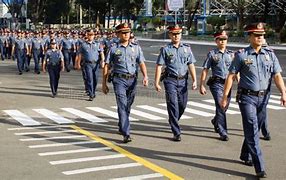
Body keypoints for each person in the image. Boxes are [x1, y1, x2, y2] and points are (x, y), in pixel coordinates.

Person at [220, 22, 286, 178]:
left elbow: (277, 75)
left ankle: (245, 154)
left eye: (262, 35)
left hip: (264, 98)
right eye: (256, 35)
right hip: (247, 97)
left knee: (255, 129)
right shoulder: (242, 55)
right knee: (251, 127)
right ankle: (259, 166)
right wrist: (224, 97)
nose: (260, 38)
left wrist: (283, 92)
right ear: (249, 37)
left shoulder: (270, 54)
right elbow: (230, 76)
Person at [102, 23, 148, 143]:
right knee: (122, 104)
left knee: (128, 104)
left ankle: (121, 123)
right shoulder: (113, 48)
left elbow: (141, 62)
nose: (126, 34)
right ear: (117, 34)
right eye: (123, 32)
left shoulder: (136, 47)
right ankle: (126, 133)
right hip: (119, 80)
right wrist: (104, 83)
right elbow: (106, 65)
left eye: (127, 32)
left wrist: (145, 76)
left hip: (132, 79)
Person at [154, 25, 197, 141]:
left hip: (183, 80)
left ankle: (173, 119)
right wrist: (156, 82)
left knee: (182, 105)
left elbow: (191, 64)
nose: (176, 36)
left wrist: (194, 80)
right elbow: (159, 66)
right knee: (173, 105)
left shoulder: (187, 49)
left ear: (181, 35)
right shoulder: (165, 49)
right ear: (170, 35)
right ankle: (176, 132)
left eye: (178, 34)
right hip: (170, 80)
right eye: (173, 34)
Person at [200, 30, 234, 141]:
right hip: (216, 84)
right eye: (220, 39)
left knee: (225, 106)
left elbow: (235, 71)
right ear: (216, 41)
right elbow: (205, 70)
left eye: (224, 39)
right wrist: (202, 84)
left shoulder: (232, 55)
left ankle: (216, 120)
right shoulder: (212, 54)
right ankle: (223, 131)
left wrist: (240, 82)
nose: (222, 41)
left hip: (228, 84)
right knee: (221, 105)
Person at [76, 29, 104, 101]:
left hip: (96, 64)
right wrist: (78, 63)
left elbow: (101, 53)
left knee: (95, 79)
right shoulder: (83, 45)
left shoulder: (98, 44)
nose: (90, 36)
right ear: (87, 35)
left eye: (92, 35)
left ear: (94, 36)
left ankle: (93, 91)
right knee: (89, 79)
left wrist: (103, 61)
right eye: (89, 35)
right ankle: (91, 94)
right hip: (87, 64)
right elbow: (79, 55)